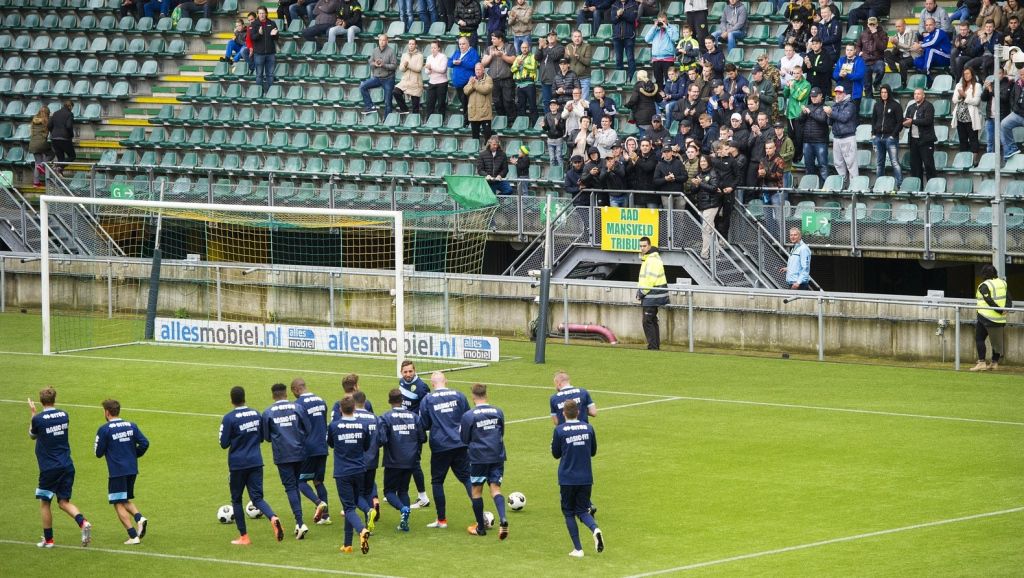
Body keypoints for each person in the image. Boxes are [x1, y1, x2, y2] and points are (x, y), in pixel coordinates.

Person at [28, 387, 92, 548]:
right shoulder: (64, 415)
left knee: (45, 503)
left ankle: (49, 540)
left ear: (41, 400)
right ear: (54, 399)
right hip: (67, 464)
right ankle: (83, 522)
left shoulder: (39, 419)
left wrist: (33, 414)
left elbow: (32, 435)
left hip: (50, 468)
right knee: (63, 501)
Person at [219, 387, 281, 545]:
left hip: (238, 464)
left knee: (237, 500)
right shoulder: (256, 414)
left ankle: (244, 537)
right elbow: (261, 437)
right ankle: (273, 517)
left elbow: (223, 443)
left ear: (231, 400)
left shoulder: (229, 418)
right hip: (256, 461)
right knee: (257, 498)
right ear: (244, 398)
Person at [419, 371, 473, 529]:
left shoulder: (427, 399)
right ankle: (480, 513)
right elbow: (468, 418)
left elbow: (424, 424)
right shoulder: (459, 395)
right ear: (446, 381)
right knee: (467, 478)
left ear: (432, 383)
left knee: (437, 481)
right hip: (460, 444)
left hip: (440, 446)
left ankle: (441, 520)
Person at [551, 399, 603, 558]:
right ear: (578, 412)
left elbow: (555, 454)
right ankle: (595, 529)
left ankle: (578, 549)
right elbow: (593, 452)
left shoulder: (560, 430)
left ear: (563, 413)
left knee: (568, 512)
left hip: (567, 478)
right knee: (582, 510)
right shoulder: (589, 428)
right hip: (586, 477)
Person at [95, 399, 150, 546]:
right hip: (132, 469)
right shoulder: (131, 425)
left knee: (117, 502)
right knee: (124, 499)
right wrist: (133, 454)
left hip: (117, 472)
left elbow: (98, 453)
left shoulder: (104, 429)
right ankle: (139, 518)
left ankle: (133, 535)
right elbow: (145, 443)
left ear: (107, 412)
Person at [460, 383, 509, 539]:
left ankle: (481, 528)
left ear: (473, 397)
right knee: (495, 489)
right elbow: (502, 431)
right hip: (497, 455)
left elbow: (464, 438)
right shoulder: (498, 411)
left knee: (476, 492)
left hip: (478, 458)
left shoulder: (469, 415)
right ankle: (503, 518)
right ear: (486, 395)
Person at [261, 383, 309, 540]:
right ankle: (299, 523)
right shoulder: (298, 408)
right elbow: (307, 428)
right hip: (300, 452)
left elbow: (267, 437)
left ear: (273, 395)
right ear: (286, 394)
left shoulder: (268, 413)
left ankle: (300, 522)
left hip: (283, 455)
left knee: (290, 487)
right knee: (295, 484)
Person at [327, 396, 372, 554]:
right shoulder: (362, 426)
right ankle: (347, 544)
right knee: (352, 505)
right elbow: (366, 446)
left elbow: (331, 444)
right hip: (359, 470)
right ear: (354, 408)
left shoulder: (334, 426)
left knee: (348, 508)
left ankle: (361, 530)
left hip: (343, 472)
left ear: (340, 410)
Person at [378, 388, 426, 531]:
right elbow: (423, 438)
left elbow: (382, 439)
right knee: (403, 491)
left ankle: (403, 509)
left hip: (393, 461)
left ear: (389, 401)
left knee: (389, 492)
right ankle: (405, 522)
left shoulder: (385, 418)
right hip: (410, 460)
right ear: (402, 401)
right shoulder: (414, 416)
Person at [290, 378, 332, 526]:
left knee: (300, 481)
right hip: (322, 446)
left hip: (308, 448)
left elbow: (298, 429)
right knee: (318, 480)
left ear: (296, 390)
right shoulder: (322, 400)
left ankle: (319, 502)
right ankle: (325, 516)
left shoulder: (298, 404)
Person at [397, 361, 432, 508]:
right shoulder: (401, 382)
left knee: (414, 463)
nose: (408, 374)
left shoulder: (421, 387)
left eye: (410, 371)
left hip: (415, 431)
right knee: (400, 460)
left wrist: (421, 427)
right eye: (405, 372)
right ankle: (399, 491)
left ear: (414, 371)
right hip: (402, 428)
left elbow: (427, 408)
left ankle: (423, 497)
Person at [971, 264, 1012, 371]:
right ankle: (994, 363)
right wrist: (1005, 309)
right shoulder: (1002, 283)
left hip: (985, 317)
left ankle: (981, 362)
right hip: (1000, 319)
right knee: (996, 342)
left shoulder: (984, 285)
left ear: (984, 274)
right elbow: (1008, 298)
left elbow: (989, 301)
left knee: (979, 339)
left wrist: (999, 311)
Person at [351, 390, 381, 529]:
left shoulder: (350, 418)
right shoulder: (375, 418)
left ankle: (366, 515)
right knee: (368, 492)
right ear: (365, 402)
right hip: (372, 461)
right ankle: (370, 524)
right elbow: (382, 439)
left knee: (355, 494)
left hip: (355, 462)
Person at [636, 236, 669, 349]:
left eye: (644, 246)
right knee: (652, 321)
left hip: (652, 295)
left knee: (647, 321)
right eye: (640, 246)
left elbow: (650, 280)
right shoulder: (650, 258)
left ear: (649, 246)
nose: (642, 248)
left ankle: (653, 347)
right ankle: (655, 346)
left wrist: (641, 292)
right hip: (653, 295)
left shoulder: (652, 260)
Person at [871, 84, 904, 187]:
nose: (884, 94)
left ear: (889, 93)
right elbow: (873, 120)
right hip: (878, 138)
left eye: (885, 92)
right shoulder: (877, 105)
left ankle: (899, 184)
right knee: (880, 163)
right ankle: (879, 184)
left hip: (890, 138)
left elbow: (900, 122)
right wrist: (873, 133)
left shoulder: (896, 105)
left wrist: (893, 135)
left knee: (894, 162)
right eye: (882, 92)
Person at [903, 88, 937, 182]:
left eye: (918, 94)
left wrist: (912, 121)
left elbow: (928, 121)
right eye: (915, 94)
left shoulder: (929, 106)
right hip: (913, 140)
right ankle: (918, 187)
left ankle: (932, 187)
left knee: (928, 165)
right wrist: (905, 124)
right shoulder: (911, 107)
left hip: (926, 140)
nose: (916, 96)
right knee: (915, 166)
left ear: (923, 95)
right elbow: (907, 121)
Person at [360, 34, 398, 117]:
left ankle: (387, 121)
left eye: (384, 40)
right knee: (362, 86)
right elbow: (370, 62)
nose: (382, 42)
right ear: (378, 41)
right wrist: (375, 64)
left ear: (387, 41)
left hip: (388, 79)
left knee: (388, 101)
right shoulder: (375, 50)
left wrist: (384, 65)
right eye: (380, 40)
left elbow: (394, 66)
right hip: (377, 78)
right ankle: (370, 106)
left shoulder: (391, 51)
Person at [482, 31, 517, 122]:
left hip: (507, 79)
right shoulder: (489, 48)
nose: (492, 40)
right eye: (492, 38)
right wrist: (491, 55)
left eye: (494, 39)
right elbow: (483, 63)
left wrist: (502, 56)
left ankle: (511, 121)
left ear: (500, 39)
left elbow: (513, 60)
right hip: (494, 80)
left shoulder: (509, 47)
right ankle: (501, 121)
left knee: (508, 101)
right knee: (497, 102)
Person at [828, 85, 858, 187]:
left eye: (840, 93)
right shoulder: (835, 105)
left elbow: (844, 118)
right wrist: (829, 115)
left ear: (845, 94)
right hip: (837, 137)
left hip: (848, 137)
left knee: (851, 164)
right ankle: (843, 185)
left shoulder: (850, 104)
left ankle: (854, 187)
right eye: (836, 93)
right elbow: (830, 122)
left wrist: (831, 113)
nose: (837, 95)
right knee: (838, 163)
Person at [800, 86, 830, 184]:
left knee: (823, 165)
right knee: (808, 166)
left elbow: (822, 120)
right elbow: (799, 121)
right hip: (807, 141)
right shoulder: (808, 107)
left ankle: (825, 186)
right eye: (812, 96)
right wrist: (803, 114)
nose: (813, 98)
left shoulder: (825, 107)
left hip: (820, 141)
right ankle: (810, 185)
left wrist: (810, 113)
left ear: (821, 96)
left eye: (815, 96)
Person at [952, 67, 983, 157]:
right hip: (960, 117)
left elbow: (976, 101)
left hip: (971, 117)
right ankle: (963, 159)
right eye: (964, 74)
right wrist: (959, 97)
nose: (966, 75)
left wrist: (965, 96)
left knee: (973, 138)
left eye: (968, 73)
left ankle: (974, 159)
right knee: (962, 139)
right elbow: (954, 100)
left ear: (972, 75)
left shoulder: (977, 86)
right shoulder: (959, 85)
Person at [450, 36, 481, 122]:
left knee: (467, 103)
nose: (461, 46)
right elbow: (449, 63)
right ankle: (467, 120)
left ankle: (467, 121)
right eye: (460, 44)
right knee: (463, 102)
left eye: (463, 44)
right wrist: (453, 62)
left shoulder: (473, 52)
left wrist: (462, 62)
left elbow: (474, 64)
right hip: (457, 83)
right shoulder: (457, 52)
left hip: (467, 83)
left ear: (468, 44)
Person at [783, 65, 810, 163]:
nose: (796, 75)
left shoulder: (806, 84)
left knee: (799, 137)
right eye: (794, 73)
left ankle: (799, 157)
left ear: (801, 73)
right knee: (791, 136)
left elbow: (799, 97)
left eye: (798, 73)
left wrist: (792, 88)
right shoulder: (792, 82)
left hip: (799, 115)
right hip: (790, 114)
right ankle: (792, 156)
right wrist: (787, 87)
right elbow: (785, 95)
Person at [249, 7, 278, 97]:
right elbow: (252, 37)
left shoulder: (272, 23)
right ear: (258, 14)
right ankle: (259, 94)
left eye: (263, 13)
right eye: (260, 13)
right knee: (259, 75)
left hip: (270, 53)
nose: (261, 15)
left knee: (270, 74)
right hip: (259, 54)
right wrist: (259, 34)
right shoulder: (254, 24)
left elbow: (276, 38)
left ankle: (270, 94)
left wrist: (274, 35)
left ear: (266, 13)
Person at [645, 12, 680, 88]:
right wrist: (654, 27)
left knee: (670, 80)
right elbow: (647, 39)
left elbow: (675, 38)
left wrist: (667, 28)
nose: (662, 23)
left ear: (667, 20)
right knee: (658, 81)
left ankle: (669, 96)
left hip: (668, 59)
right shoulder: (655, 29)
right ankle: (661, 97)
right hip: (656, 59)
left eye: (664, 21)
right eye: (660, 21)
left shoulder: (672, 28)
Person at [856, 17, 887, 97]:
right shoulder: (863, 33)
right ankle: (870, 102)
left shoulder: (882, 33)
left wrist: (875, 34)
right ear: (867, 25)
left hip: (877, 60)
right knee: (867, 85)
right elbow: (858, 46)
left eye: (874, 24)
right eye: (870, 24)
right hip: (866, 61)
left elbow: (883, 47)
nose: (872, 26)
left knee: (881, 68)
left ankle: (876, 83)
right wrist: (860, 53)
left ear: (877, 24)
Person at [394, 40, 425, 115]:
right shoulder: (404, 55)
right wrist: (404, 66)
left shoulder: (420, 56)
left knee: (415, 106)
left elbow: (418, 68)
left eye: (413, 44)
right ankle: (404, 109)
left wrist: (408, 65)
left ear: (415, 45)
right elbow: (401, 69)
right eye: (409, 44)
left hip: (415, 82)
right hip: (405, 81)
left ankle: (415, 121)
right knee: (396, 91)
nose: (411, 45)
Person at [1000, 66, 1024, 162]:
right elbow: (1012, 97)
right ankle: (1012, 148)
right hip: (1018, 113)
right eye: (1021, 74)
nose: (1022, 76)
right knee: (1004, 124)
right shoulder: (1018, 83)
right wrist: (1014, 108)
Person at [511, 40, 538, 125]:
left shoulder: (533, 56)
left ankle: (534, 125)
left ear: (529, 48)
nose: (524, 49)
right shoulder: (517, 57)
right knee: (521, 106)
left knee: (532, 106)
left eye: (526, 47)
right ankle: (522, 125)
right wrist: (518, 65)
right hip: (519, 85)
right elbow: (512, 69)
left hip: (529, 84)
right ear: (520, 48)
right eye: (523, 47)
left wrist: (523, 64)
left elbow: (533, 67)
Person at [466, 63, 496, 141]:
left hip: (484, 113)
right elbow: (465, 90)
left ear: (483, 70)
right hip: (474, 112)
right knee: (475, 138)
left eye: (479, 69)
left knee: (488, 137)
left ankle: (487, 152)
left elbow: (485, 90)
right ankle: (475, 152)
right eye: (476, 69)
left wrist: (474, 84)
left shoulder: (488, 79)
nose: (477, 71)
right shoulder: (472, 79)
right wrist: (473, 84)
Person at [611, 0, 639, 81]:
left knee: (630, 58)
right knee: (618, 59)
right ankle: (620, 78)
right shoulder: (614, 5)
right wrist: (617, 15)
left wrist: (622, 14)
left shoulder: (633, 4)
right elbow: (613, 20)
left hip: (629, 36)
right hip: (617, 36)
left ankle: (632, 78)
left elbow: (632, 18)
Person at [627, 71, 659, 138]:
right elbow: (659, 99)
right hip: (652, 115)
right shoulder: (653, 85)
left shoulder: (637, 86)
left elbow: (633, 100)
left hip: (641, 116)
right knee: (651, 136)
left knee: (643, 138)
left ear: (638, 77)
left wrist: (627, 105)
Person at [537, 31, 565, 108]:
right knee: (546, 101)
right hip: (544, 78)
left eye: (553, 35)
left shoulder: (560, 47)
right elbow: (537, 57)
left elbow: (554, 56)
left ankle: (557, 119)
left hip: (555, 79)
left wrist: (545, 47)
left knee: (556, 101)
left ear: (556, 37)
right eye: (549, 36)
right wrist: (540, 48)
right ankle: (547, 119)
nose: (551, 37)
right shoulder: (543, 47)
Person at [885, 19, 916, 86]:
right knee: (886, 53)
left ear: (904, 25)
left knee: (902, 63)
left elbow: (909, 47)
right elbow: (896, 47)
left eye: (899, 26)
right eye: (896, 26)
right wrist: (894, 44)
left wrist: (897, 43)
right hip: (901, 56)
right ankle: (896, 73)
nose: (897, 28)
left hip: (910, 57)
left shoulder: (910, 32)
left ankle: (903, 82)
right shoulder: (897, 34)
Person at [565, 30, 595, 100]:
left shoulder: (587, 46)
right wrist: (567, 57)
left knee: (583, 100)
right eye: (575, 36)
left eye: (579, 36)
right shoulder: (568, 46)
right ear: (572, 38)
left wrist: (578, 56)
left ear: (582, 38)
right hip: (572, 78)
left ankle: (584, 111)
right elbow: (566, 62)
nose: (577, 38)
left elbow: (587, 62)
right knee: (572, 100)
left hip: (584, 78)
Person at [424, 41, 450, 120]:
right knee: (430, 103)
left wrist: (431, 67)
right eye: (431, 48)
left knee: (441, 104)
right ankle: (429, 121)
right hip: (432, 82)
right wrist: (430, 69)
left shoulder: (443, 57)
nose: (433, 49)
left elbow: (442, 70)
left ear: (438, 48)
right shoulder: (429, 57)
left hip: (441, 83)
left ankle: (441, 121)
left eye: (435, 48)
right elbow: (426, 72)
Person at [48, 100, 75, 170]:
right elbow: (69, 126)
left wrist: (53, 132)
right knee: (72, 156)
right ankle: (58, 166)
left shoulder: (55, 113)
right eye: (72, 107)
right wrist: (71, 135)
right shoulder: (69, 114)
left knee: (61, 158)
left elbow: (49, 125)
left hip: (54, 139)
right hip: (64, 139)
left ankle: (59, 172)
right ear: (70, 106)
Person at [29, 106, 51, 187]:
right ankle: (42, 165)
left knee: (37, 163)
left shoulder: (34, 120)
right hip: (41, 143)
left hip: (32, 144)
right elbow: (46, 134)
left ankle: (36, 183)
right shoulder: (46, 121)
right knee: (51, 153)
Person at [542, 100, 566, 165]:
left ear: (557, 106)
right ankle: (553, 173)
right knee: (552, 158)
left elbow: (562, 128)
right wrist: (543, 126)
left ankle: (560, 172)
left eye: (554, 105)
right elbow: (546, 129)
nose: (552, 106)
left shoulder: (561, 115)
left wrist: (557, 124)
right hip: (550, 139)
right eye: (551, 105)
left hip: (558, 139)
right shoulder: (547, 115)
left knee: (559, 157)